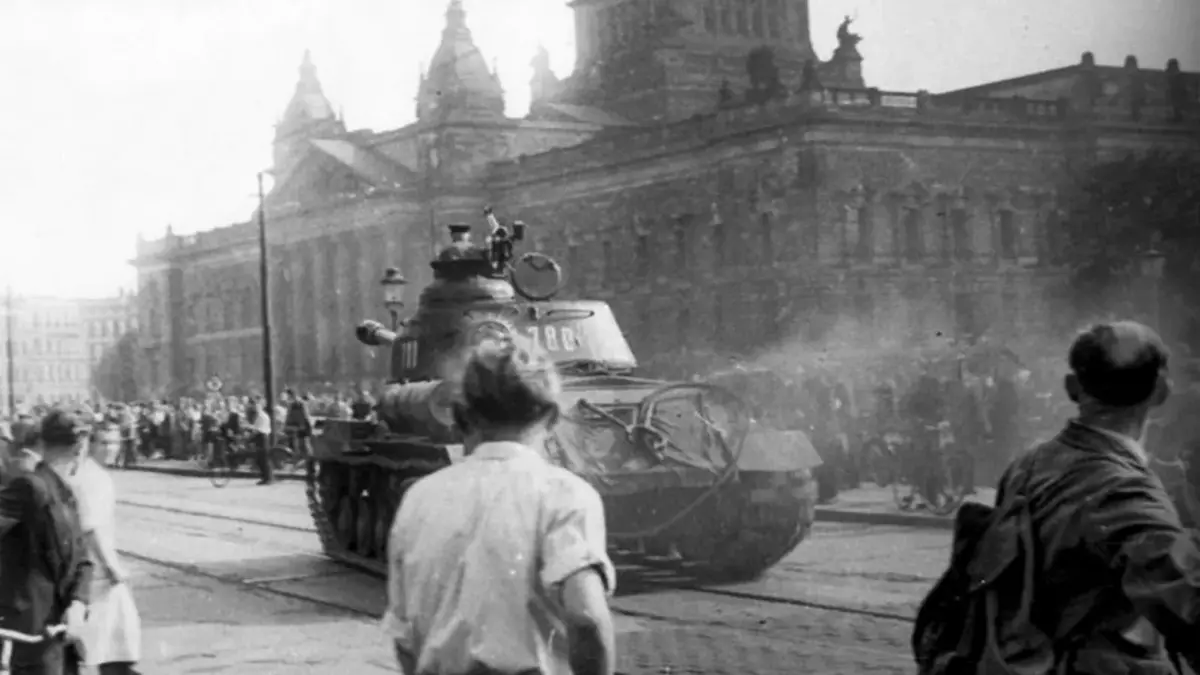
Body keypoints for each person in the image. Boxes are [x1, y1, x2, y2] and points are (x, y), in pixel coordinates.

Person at [382, 337, 616, 675]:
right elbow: (587, 619)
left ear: (462, 418)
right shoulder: (565, 494)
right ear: (551, 418)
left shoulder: (418, 497)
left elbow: (403, 639)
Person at [992, 322, 1200, 671]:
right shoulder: (1121, 489)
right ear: (1162, 391)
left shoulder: (1027, 465)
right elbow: (1188, 602)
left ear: (1072, 387)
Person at [0, 409, 94, 675]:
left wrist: (78, 603)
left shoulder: (67, 494)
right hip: (32, 636)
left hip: (61, 634)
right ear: (80, 448)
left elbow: (83, 560)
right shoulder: (30, 487)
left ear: (42, 444)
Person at [72, 431, 141, 675]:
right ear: (91, 444)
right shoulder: (93, 478)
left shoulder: (95, 474)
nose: (110, 448)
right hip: (100, 572)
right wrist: (111, 566)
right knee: (112, 643)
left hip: (98, 569)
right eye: (104, 443)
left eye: (114, 442)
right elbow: (91, 528)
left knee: (110, 642)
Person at [244, 400, 273, 486]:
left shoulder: (260, 416)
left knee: (263, 459)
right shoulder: (263, 415)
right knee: (262, 459)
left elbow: (257, 429)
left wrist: (250, 436)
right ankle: (266, 477)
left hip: (262, 436)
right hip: (262, 436)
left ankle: (267, 478)